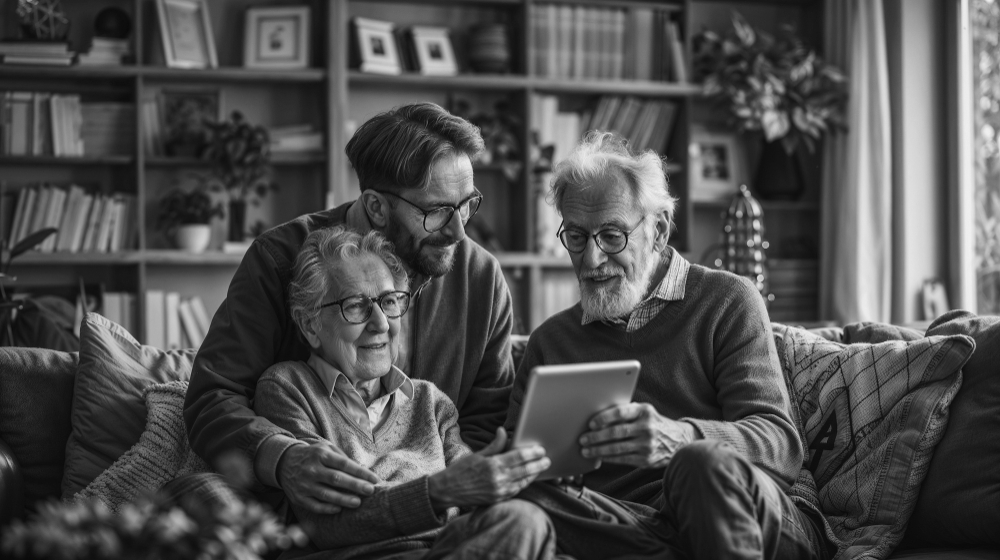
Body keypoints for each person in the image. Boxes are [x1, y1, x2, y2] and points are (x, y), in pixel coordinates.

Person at [505, 131, 832, 560]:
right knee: (517, 505)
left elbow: (780, 447)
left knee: (699, 464)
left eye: (611, 236)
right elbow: (513, 471)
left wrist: (678, 438)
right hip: (622, 526)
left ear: (657, 230)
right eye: (578, 237)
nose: (591, 259)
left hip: (741, 511)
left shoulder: (726, 300)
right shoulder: (550, 343)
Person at [183, 102, 517, 517]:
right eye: (436, 212)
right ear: (376, 206)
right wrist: (284, 460)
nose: (459, 231)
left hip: (436, 512)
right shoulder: (278, 260)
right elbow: (213, 397)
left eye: (467, 203)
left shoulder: (481, 276)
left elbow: (489, 420)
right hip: (311, 509)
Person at [255, 226, 553, 559]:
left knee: (525, 520)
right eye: (355, 306)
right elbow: (326, 524)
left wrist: (509, 473)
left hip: (448, 549)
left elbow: (474, 494)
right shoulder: (288, 388)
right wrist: (440, 491)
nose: (381, 323)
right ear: (309, 324)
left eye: (389, 302)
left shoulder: (430, 402)